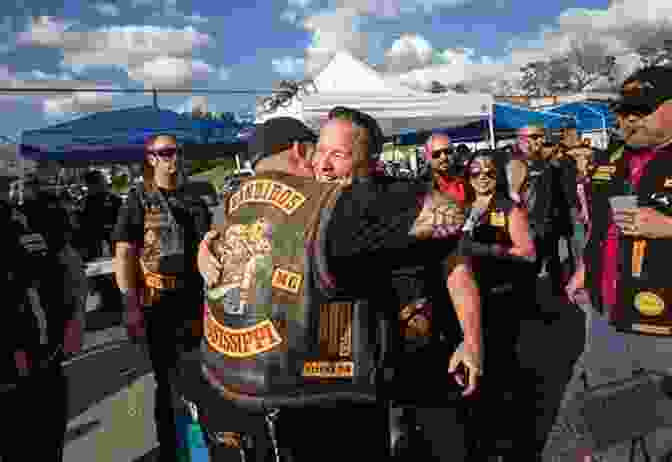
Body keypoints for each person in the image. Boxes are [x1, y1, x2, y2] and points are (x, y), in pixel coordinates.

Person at [194, 113, 482, 461]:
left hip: (412, 359)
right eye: (321, 152)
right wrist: (208, 247)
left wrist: (472, 340)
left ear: (370, 161)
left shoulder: (389, 195)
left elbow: (455, 253)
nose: (324, 165)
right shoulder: (309, 208)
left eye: (338, 155)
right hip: (333, 381)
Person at [113, 134, 211, 462]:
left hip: (198, 303)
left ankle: (201, 447)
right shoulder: (138, 199)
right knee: (169, 384)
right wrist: (130, 305)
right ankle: (173, 452)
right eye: (165, 153)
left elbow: (207, 246)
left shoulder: (194, 197)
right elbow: (125, 252)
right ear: (151, 159)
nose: (173, 158)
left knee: (203, 378)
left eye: (177, 152)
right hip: (159, 306)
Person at [567, 67, 672, 333]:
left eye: (642, 110)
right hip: (605, 312)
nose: (630, 119)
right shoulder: (611, 158)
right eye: (623, 111)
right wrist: (586, 269)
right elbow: (600, 225)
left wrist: (668, 227)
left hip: (663, 322)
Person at [457, 150, 537, 460]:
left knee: (502, 369)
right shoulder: (464, 208)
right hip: (472, 297)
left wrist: (487, 249)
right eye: (475, 173)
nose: (482, 178)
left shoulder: (509, 209)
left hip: (502, 297)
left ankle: (512, 441)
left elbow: (528, 254)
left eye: (488, 172)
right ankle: (483, 432)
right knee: (478, 366)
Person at [0, 187, 85, 462]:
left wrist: (75, 319)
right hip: (12, 368)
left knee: (44, 444)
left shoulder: (29, 220)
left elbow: (66, 266)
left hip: (43, 360)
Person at [77, 170, 122, 261]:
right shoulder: (84, 202)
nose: (106, 183)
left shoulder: (115, 200)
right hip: (93, 245)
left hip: (113, 242)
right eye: (103, 181)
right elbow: (81, 224)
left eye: (104, 181)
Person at [423, 133, 467, 203]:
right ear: (428, 158)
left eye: (448, 152)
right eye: (436, 154)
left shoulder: (468, 176)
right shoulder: (422, 186)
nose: (443, 157)